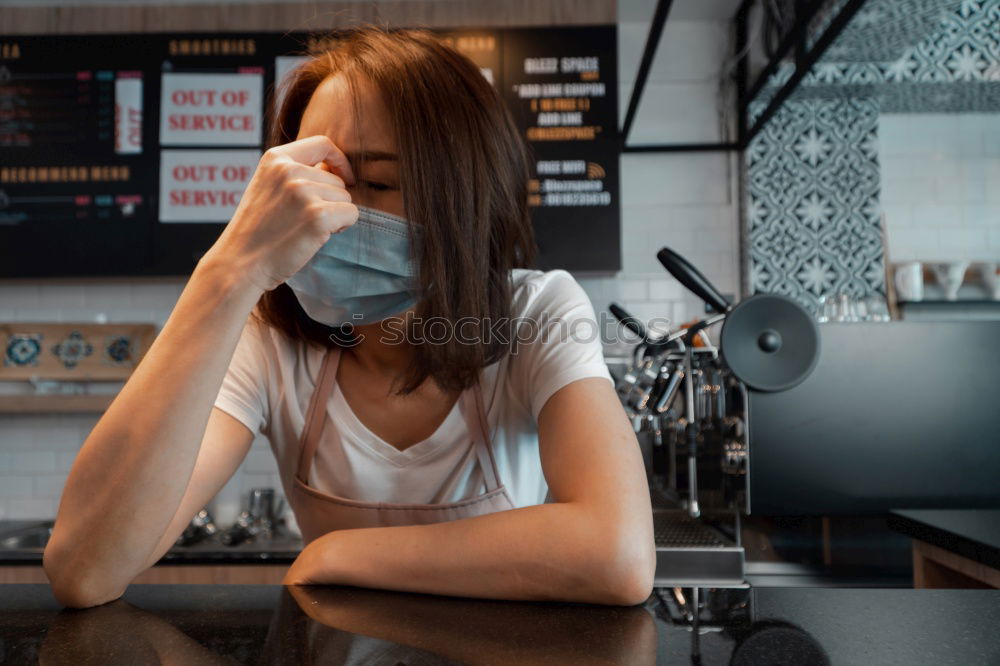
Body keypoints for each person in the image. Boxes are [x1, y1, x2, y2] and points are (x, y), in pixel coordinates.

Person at [43, 26, 654, 609]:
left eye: (379, 182)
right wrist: (228, 271)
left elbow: (616, 553)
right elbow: (85, 569)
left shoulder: (538, 313)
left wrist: (340, 554)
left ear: (466, 197)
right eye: (313, 182)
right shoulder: (268, 337)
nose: (327, 215)